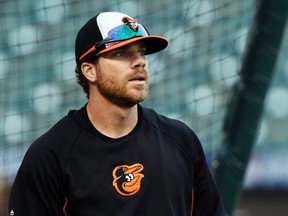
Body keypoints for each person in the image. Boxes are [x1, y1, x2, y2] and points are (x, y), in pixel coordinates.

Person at [9, 12, 225, 216]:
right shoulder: (50, 155)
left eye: (141, 52)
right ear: (89, 70)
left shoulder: (181, 140)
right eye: (120, 53)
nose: (140, 61)